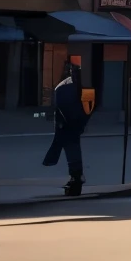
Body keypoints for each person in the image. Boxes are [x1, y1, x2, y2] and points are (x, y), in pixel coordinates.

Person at [42, 64, 90, 195]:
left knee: (71, 148)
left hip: (67, 125)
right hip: (72, 124)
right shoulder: (71, 87)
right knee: (72, 148)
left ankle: (76, 177)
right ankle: (76, 176)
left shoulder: (63, 87)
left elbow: (59, 109)